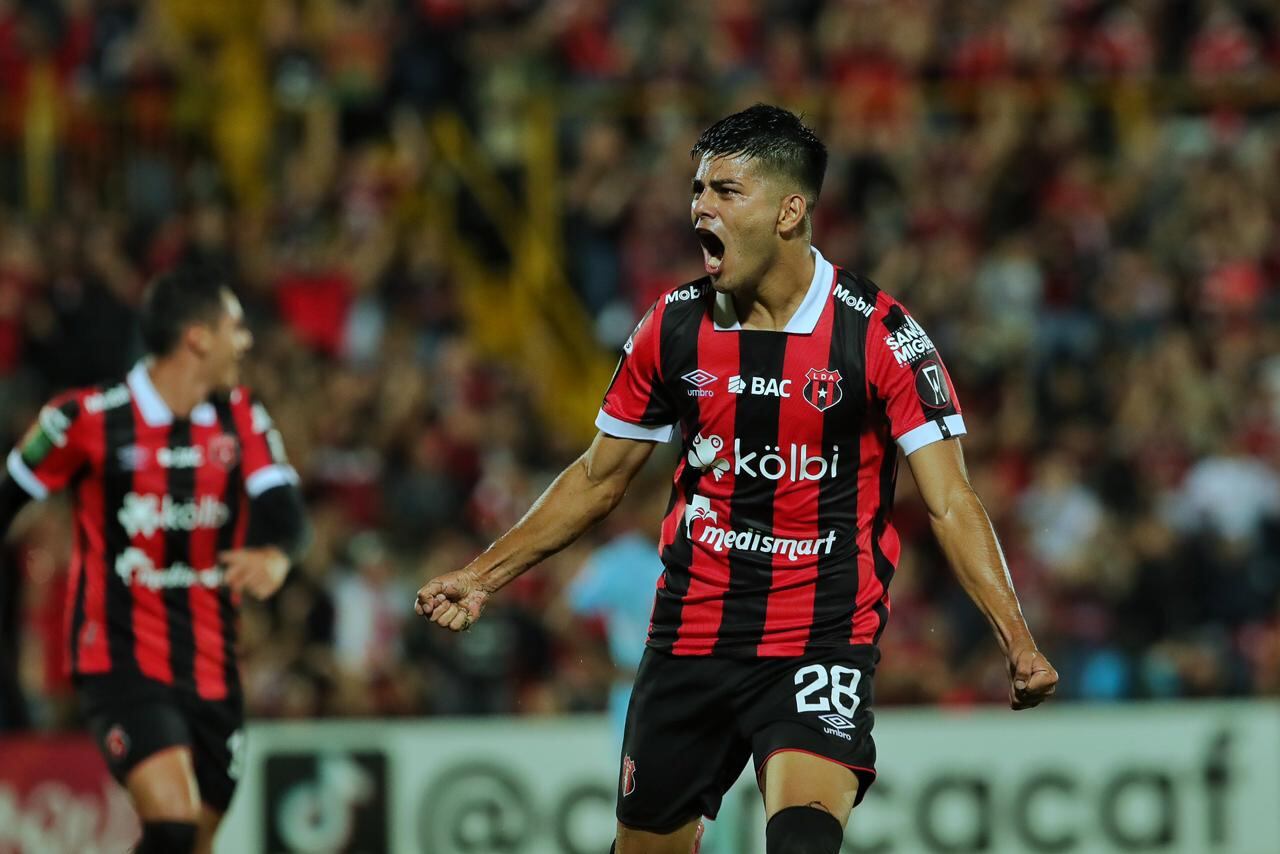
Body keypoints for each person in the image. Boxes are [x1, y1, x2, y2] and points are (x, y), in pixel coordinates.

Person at [414, 104, 1058, 854]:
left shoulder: (878, 333)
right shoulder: (673, 327)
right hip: (690, 637)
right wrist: (483, 575)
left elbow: (950, 501)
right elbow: (598, 477)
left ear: (791, 211)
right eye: (698, 190)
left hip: (820, 640)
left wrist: (1016, 638)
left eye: (726, 191)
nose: (700, 208)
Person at [0, 265, 309, 854]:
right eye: (234, 328)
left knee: (195, 840)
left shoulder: (242, 416)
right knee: (172, 820)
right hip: (119, 659)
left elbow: (286, 511)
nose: (245, 342)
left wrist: (276, 557)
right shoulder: (82, 419)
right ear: (197, 338)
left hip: (215, 666)